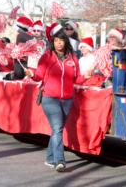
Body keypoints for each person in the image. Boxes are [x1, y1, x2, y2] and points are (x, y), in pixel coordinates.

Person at [25, 29, 83, 172]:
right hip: (50, 98)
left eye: (61, 41)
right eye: (56, 41)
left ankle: (50, 158)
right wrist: (32, 74)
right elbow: (39, 75)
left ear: (65, 42)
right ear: (53, 42)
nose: (59, 43)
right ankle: (59, 161)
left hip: (67, 99)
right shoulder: (47, 56)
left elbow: (77, 78)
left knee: (57, 130)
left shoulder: (72, 57)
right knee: (57, 129)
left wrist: (89, 76)